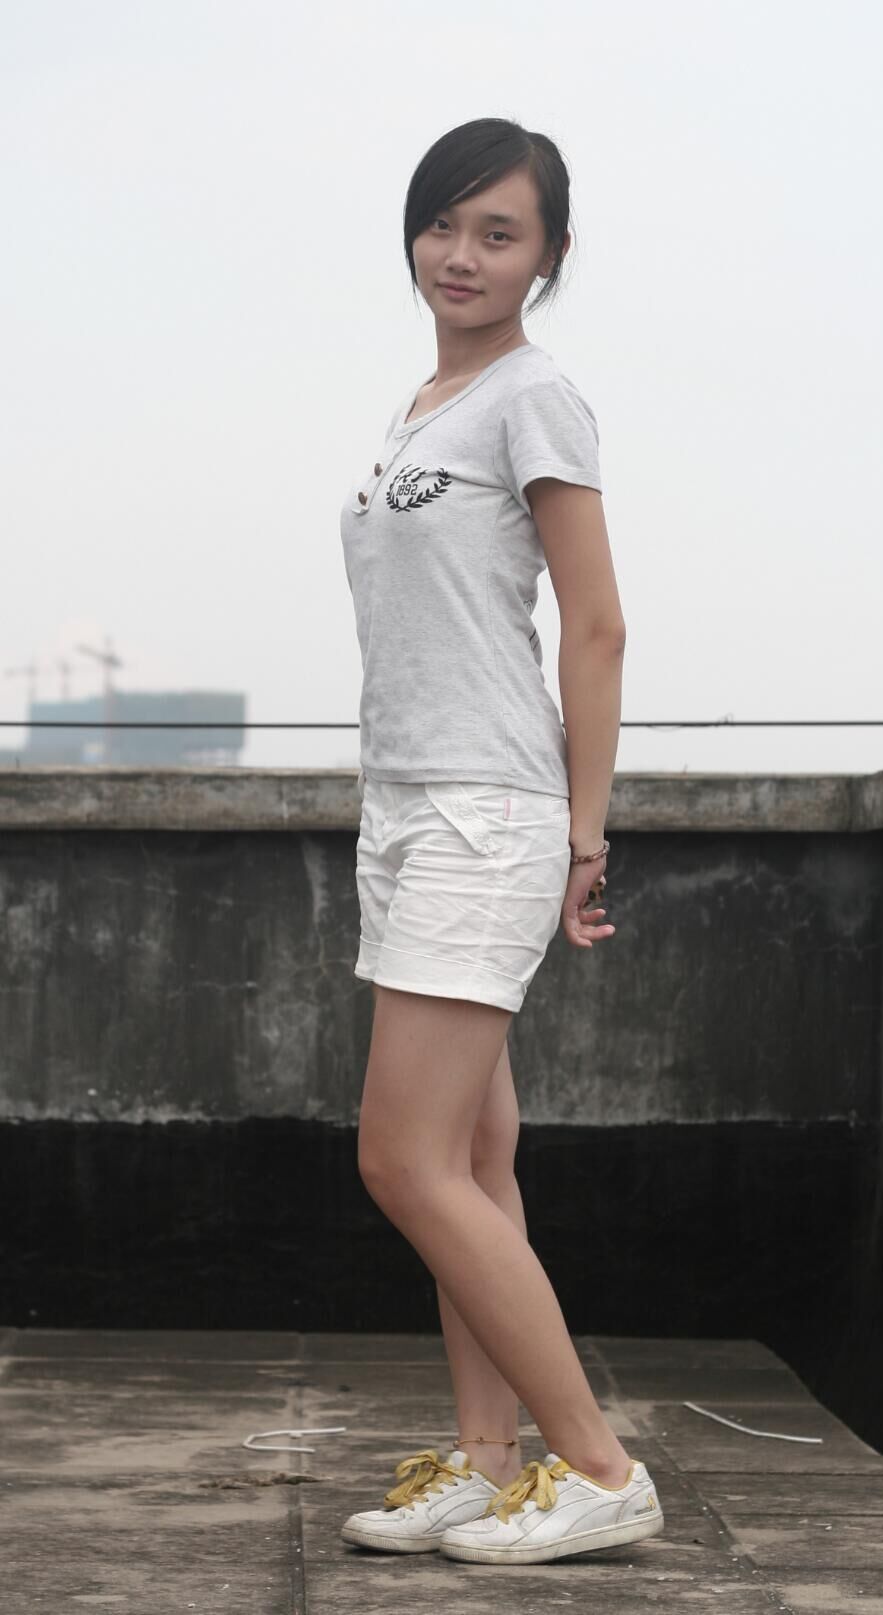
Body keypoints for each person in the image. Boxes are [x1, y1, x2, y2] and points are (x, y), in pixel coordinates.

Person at [338, 117, 664, 1565]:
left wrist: (584, 831)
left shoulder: (536, 397)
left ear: (551, 256)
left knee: (403, 1161)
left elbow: (596, 626)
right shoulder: (427, 404)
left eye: (498, 233)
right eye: (442, 224)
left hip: (489, 805)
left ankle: (599, 1469)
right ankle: (488, 1461)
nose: (460, 256)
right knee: (472, 1153)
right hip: (409, 801)